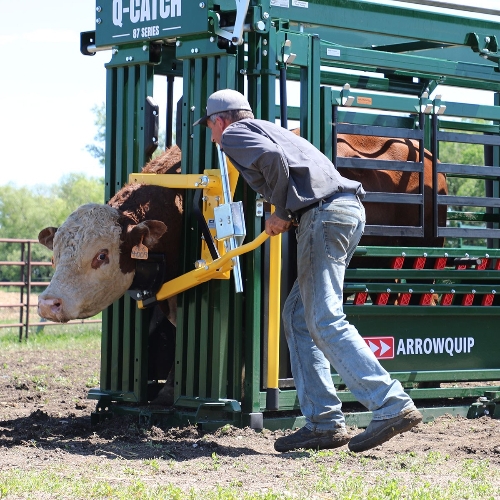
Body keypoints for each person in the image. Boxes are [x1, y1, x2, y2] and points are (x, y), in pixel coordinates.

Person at [194, 88, 422, 453]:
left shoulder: (237, 134)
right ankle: (324, 423)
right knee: (299, 316)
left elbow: (272, 162)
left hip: (323, 215)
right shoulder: (273, 128)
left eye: (209, 126)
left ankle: (390, 404)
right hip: (345, 212)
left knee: (324, 318)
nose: (211, 135)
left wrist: (283, 212)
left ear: (220, 120)